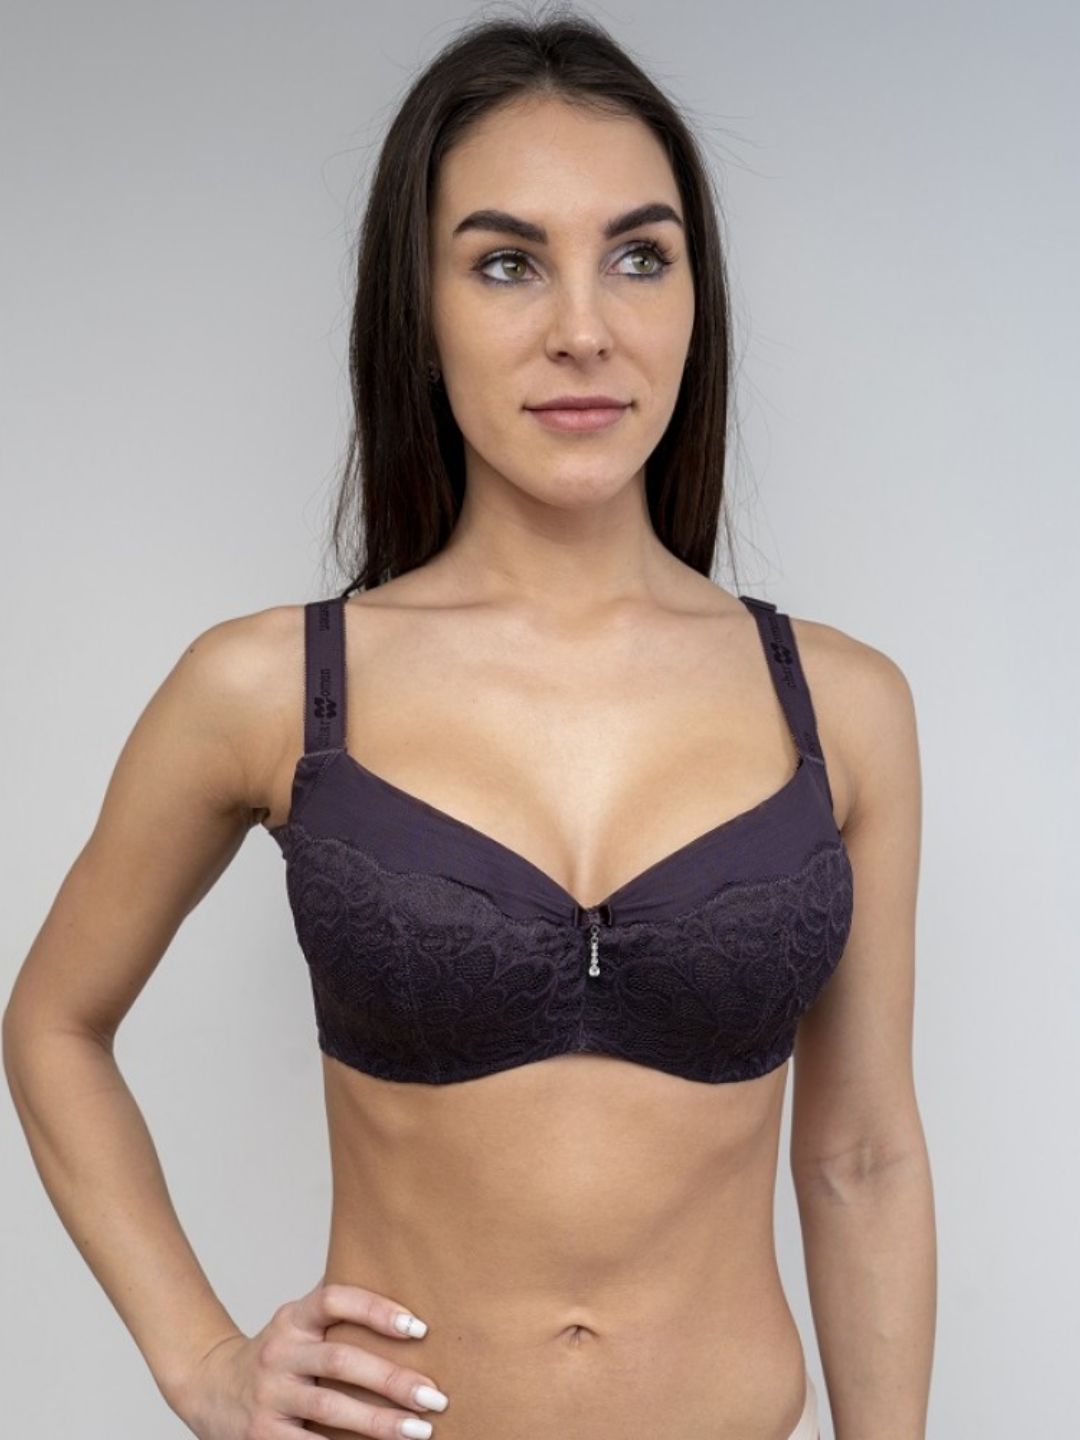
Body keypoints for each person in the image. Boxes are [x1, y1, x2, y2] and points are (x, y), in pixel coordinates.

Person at [2, 11, 936, 1440]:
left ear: (696, 299)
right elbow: (53, 1024)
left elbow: (862, 1157)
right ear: (419, 311)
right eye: (508, 262)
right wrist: (204, 1361)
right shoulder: (268, 687)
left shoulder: (842, 705)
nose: (584, 327)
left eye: (640, 256)